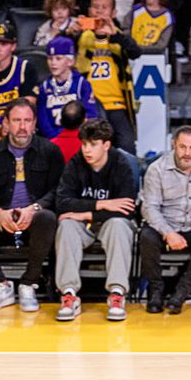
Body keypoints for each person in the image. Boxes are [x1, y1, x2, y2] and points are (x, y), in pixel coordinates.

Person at [0, 99, 63, 313]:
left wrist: (34, 208)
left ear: (35, 123)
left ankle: (29, 284)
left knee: (47, 217)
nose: (22, 126)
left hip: (34, 223)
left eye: (27, 120)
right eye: (16, 120)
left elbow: (58, 191)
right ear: (6, 123)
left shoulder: (50, 151)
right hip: (1, 222)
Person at [53, 118, 137, 321]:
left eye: (93, 144)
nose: (87, 150)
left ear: (106, 145)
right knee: (66, 225)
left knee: (118, 225)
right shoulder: (75, 163)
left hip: (109, 224)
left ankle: (117, 293)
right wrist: (101, 204)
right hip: (83, 226)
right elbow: (62, 203)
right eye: (84, 144)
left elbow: (127, 210)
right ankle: (69, 294)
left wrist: (86, 213)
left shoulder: (121, 164)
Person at [139, 125, 191, 314]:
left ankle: (181, 293)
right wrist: (168, 233)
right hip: (165, 222)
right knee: (147, 237)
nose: (187, 153)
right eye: (182, 147)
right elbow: (149, 207)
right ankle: (155, 291)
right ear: (173, 145)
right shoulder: (157, 169)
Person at [69, 0, 139, 154]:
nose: (99, 11)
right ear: (89, 11)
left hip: (117, 103)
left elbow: (136, 52)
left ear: (113, 13)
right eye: (95, 7)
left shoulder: (118, 35)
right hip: (90, 102)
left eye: (104, 7)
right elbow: (59, 51)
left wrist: (116, 36)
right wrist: (68, 33)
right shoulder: (82, 35)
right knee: (96, 144)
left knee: (128, 146)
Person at [37, 36, 97, 140]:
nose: (53, 63)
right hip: (53, 141)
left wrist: (76, 136)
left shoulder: (81, 84)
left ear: (70, 61)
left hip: (79, 138)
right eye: (50, 58)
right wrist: (57, 138)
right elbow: (43, 120)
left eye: (58, 58)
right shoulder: (44, 87)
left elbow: (91, 115)